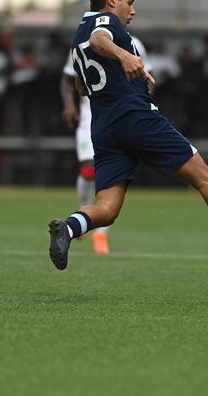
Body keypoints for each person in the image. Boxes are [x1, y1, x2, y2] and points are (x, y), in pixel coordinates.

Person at [47, 0, 208, 270]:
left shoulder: (77, 36)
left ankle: (68, 228)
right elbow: (100, 41)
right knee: (205, 177)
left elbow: (82, 87)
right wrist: (125, 56)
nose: (132, 10)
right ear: (111, 1)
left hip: (105, 128)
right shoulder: (104, 24)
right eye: (129, 2)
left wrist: (124, 77)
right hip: (137, 119)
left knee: (107, 209)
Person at [60, 34, 147, 256]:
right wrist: (69, 105)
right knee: (89, 170)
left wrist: (144, 106)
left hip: (123, 114)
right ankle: (83, 212)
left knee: (109, 176)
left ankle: (101, 234)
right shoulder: (84, 42)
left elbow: (148, 76)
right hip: (91, 113)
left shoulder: (134, 44)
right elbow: (68, 78)